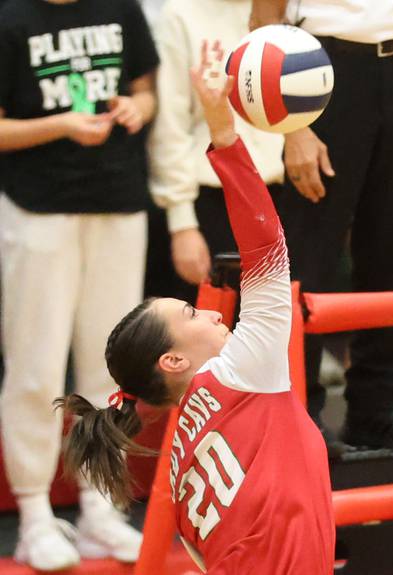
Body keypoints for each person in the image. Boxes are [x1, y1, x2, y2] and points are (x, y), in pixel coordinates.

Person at [56, 53, 335, 574]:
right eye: (191, 314)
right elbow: (266, 243)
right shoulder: (242, 372)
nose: (209, 315)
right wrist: (222, 126)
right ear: (174, 361)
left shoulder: (183, 451)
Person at [249, 0, 393, 452]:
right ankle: (299, 414)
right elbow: (263, 21)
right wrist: (292, 128)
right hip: (320, 70)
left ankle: (375, 409)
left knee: (391, 250)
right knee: (308, 255)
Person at [0, 0, 159, 569]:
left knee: (110, 366)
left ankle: (98, 510)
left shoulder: (122, 7)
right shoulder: (11, 16)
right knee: (35, 365)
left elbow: (146, 89)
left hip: (118, 200)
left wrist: (135, 109)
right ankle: (35, 516)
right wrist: (62, 124)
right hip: (37, 208)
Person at [147, 0, 285, 303]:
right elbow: (169, 126)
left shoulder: (282, 10)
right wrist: (182, 224)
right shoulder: (180, 13)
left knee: (272, 332)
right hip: (210, 199)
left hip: (279, 195)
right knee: (208, 334)